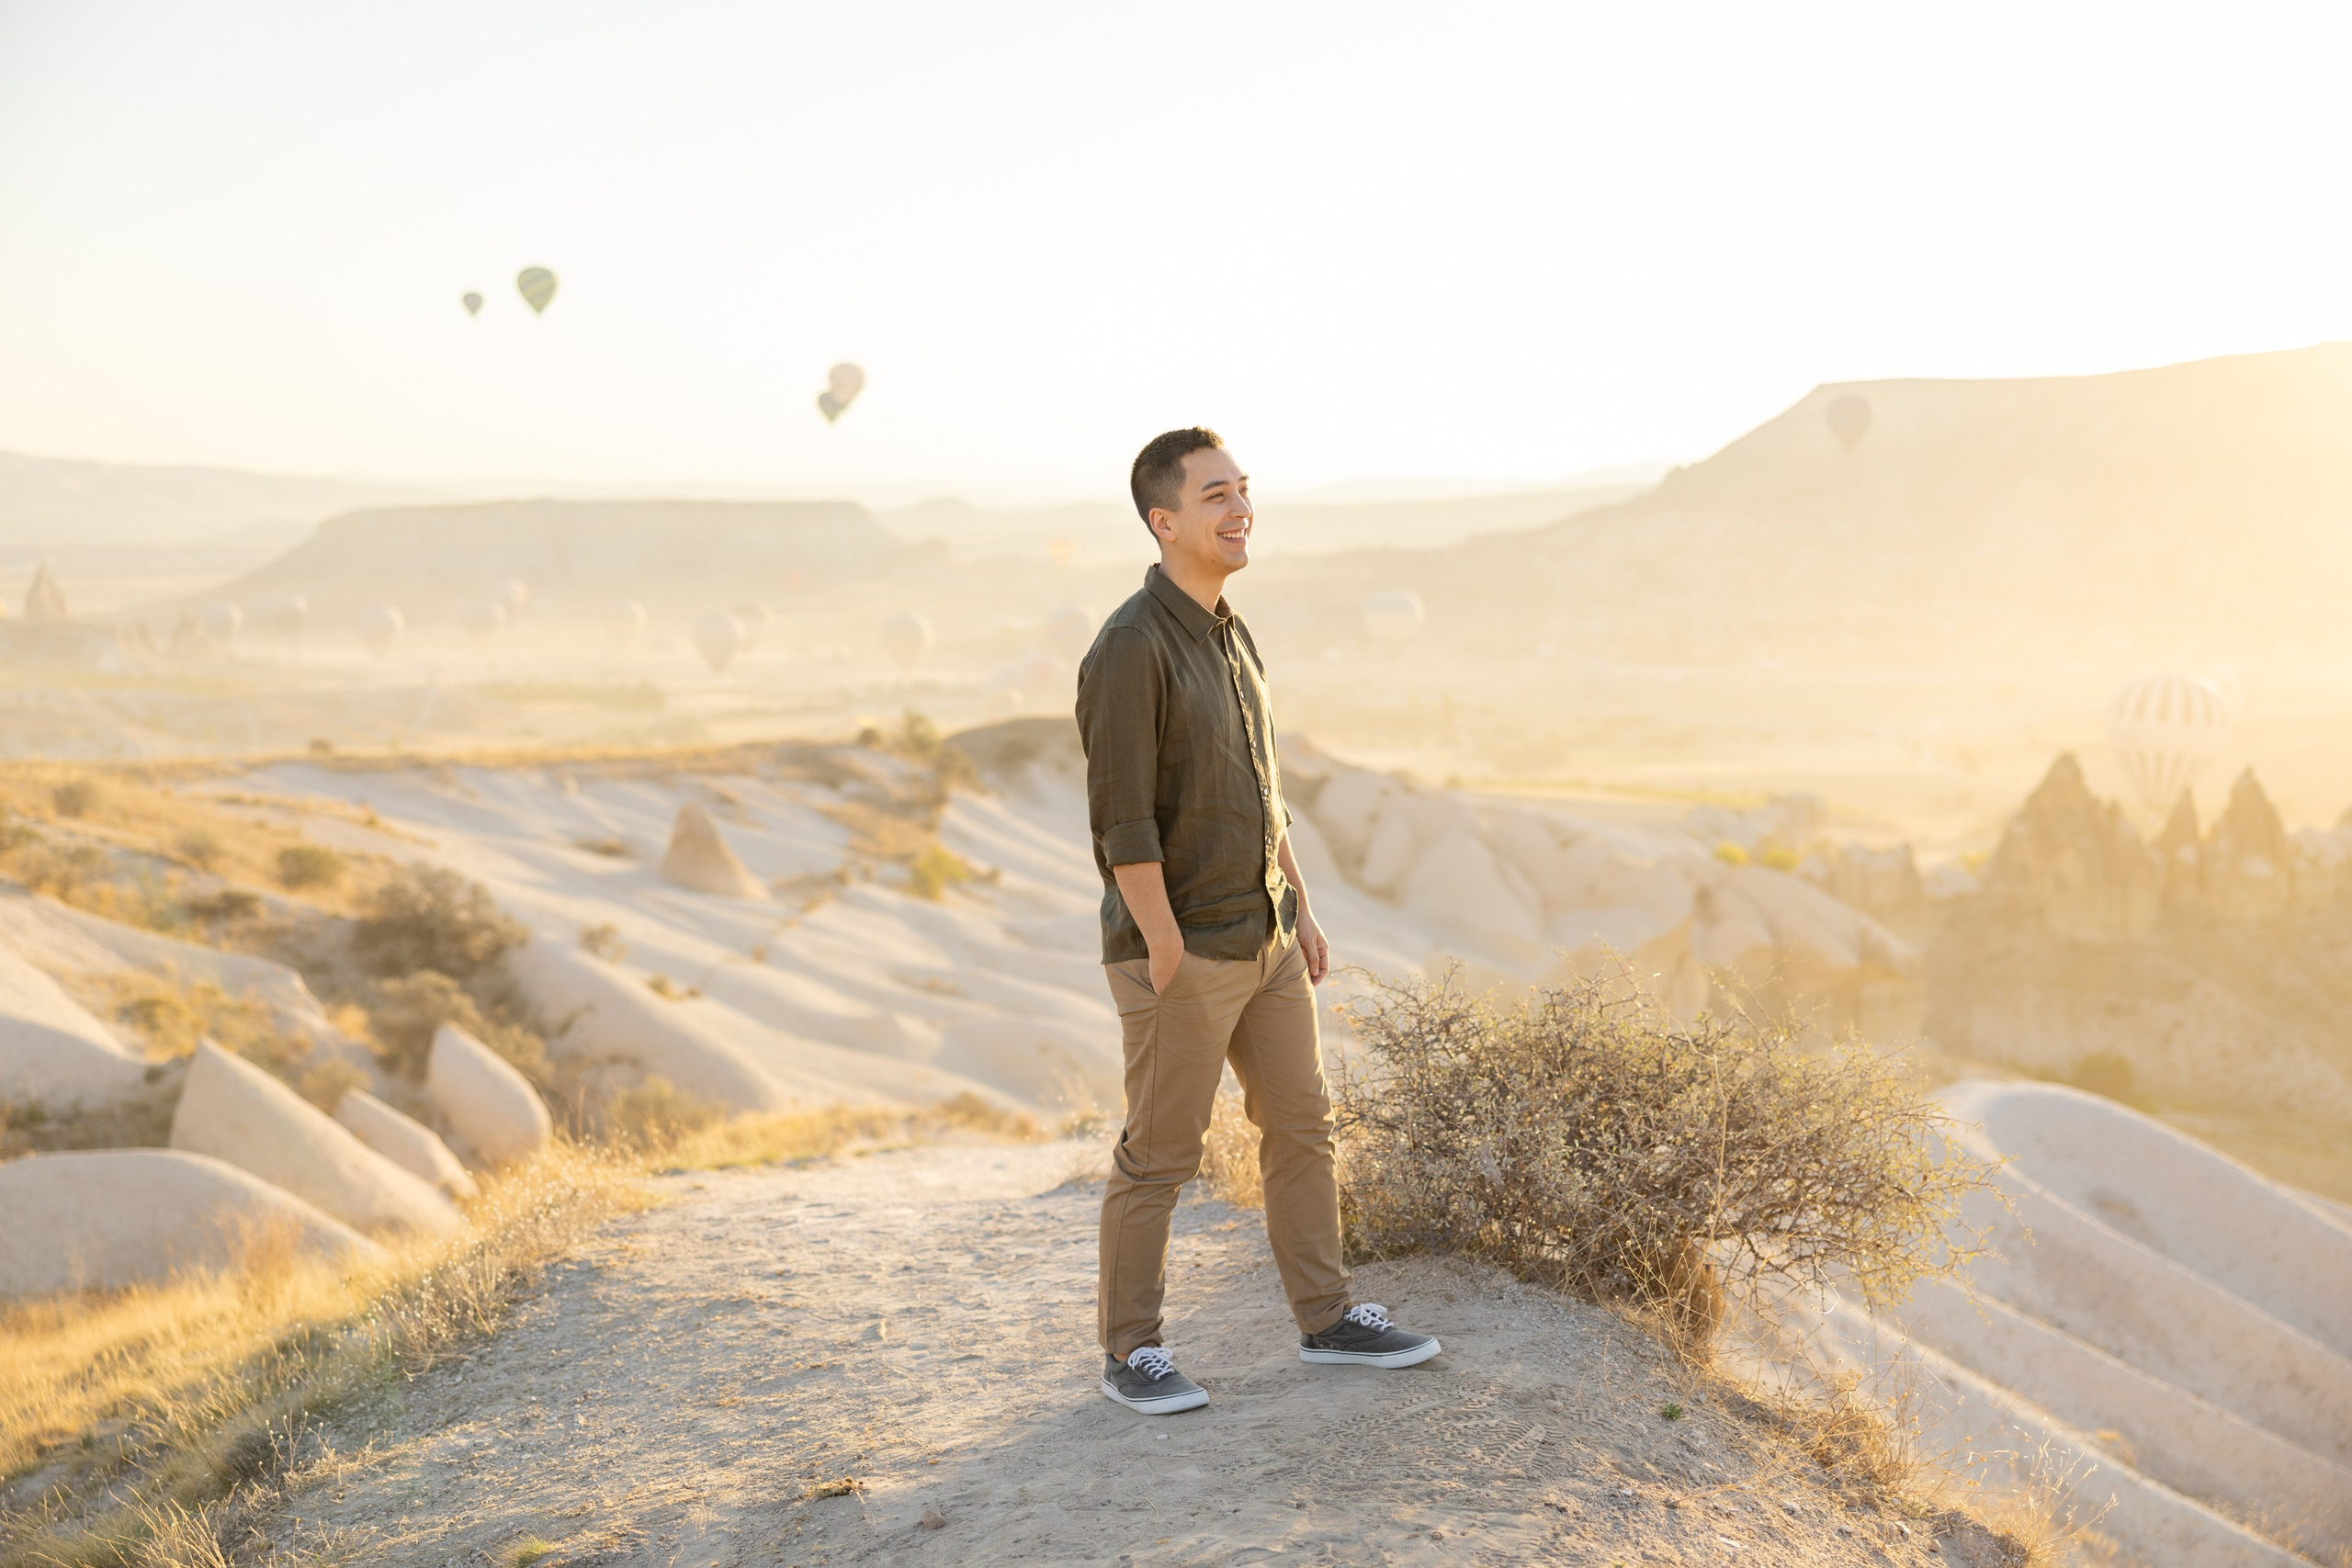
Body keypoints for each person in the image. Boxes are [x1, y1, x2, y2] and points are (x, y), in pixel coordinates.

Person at [1077, 427, 1442, 1416]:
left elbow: (1261, 789)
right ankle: (1131, 1353)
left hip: (1268, 933)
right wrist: (1161, 948)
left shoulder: (1233, 633)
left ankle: (1327, 1321)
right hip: (1183, 945)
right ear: (1163, 522)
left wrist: (1303, 907)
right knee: (1159, 1154)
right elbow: (1123, 819)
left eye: (1242, 490)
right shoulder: (1127, 648)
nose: (1239, 510)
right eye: (1213, 497)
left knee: (1302, 1126)